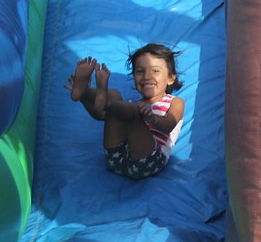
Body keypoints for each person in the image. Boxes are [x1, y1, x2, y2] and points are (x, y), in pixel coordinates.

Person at [66, 43, 185, 180]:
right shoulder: (131, 104)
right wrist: (84, 101)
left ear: (170, 78)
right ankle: (85, 93)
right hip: (116, 157)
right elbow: (99, 115)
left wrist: (153, 119)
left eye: (155, 71)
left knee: (124, 107)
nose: (147, 76)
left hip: (149, 162)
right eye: (140, 71)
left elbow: (169, 124)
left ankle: (94, 95)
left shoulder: (174, 101)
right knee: (116, 97)